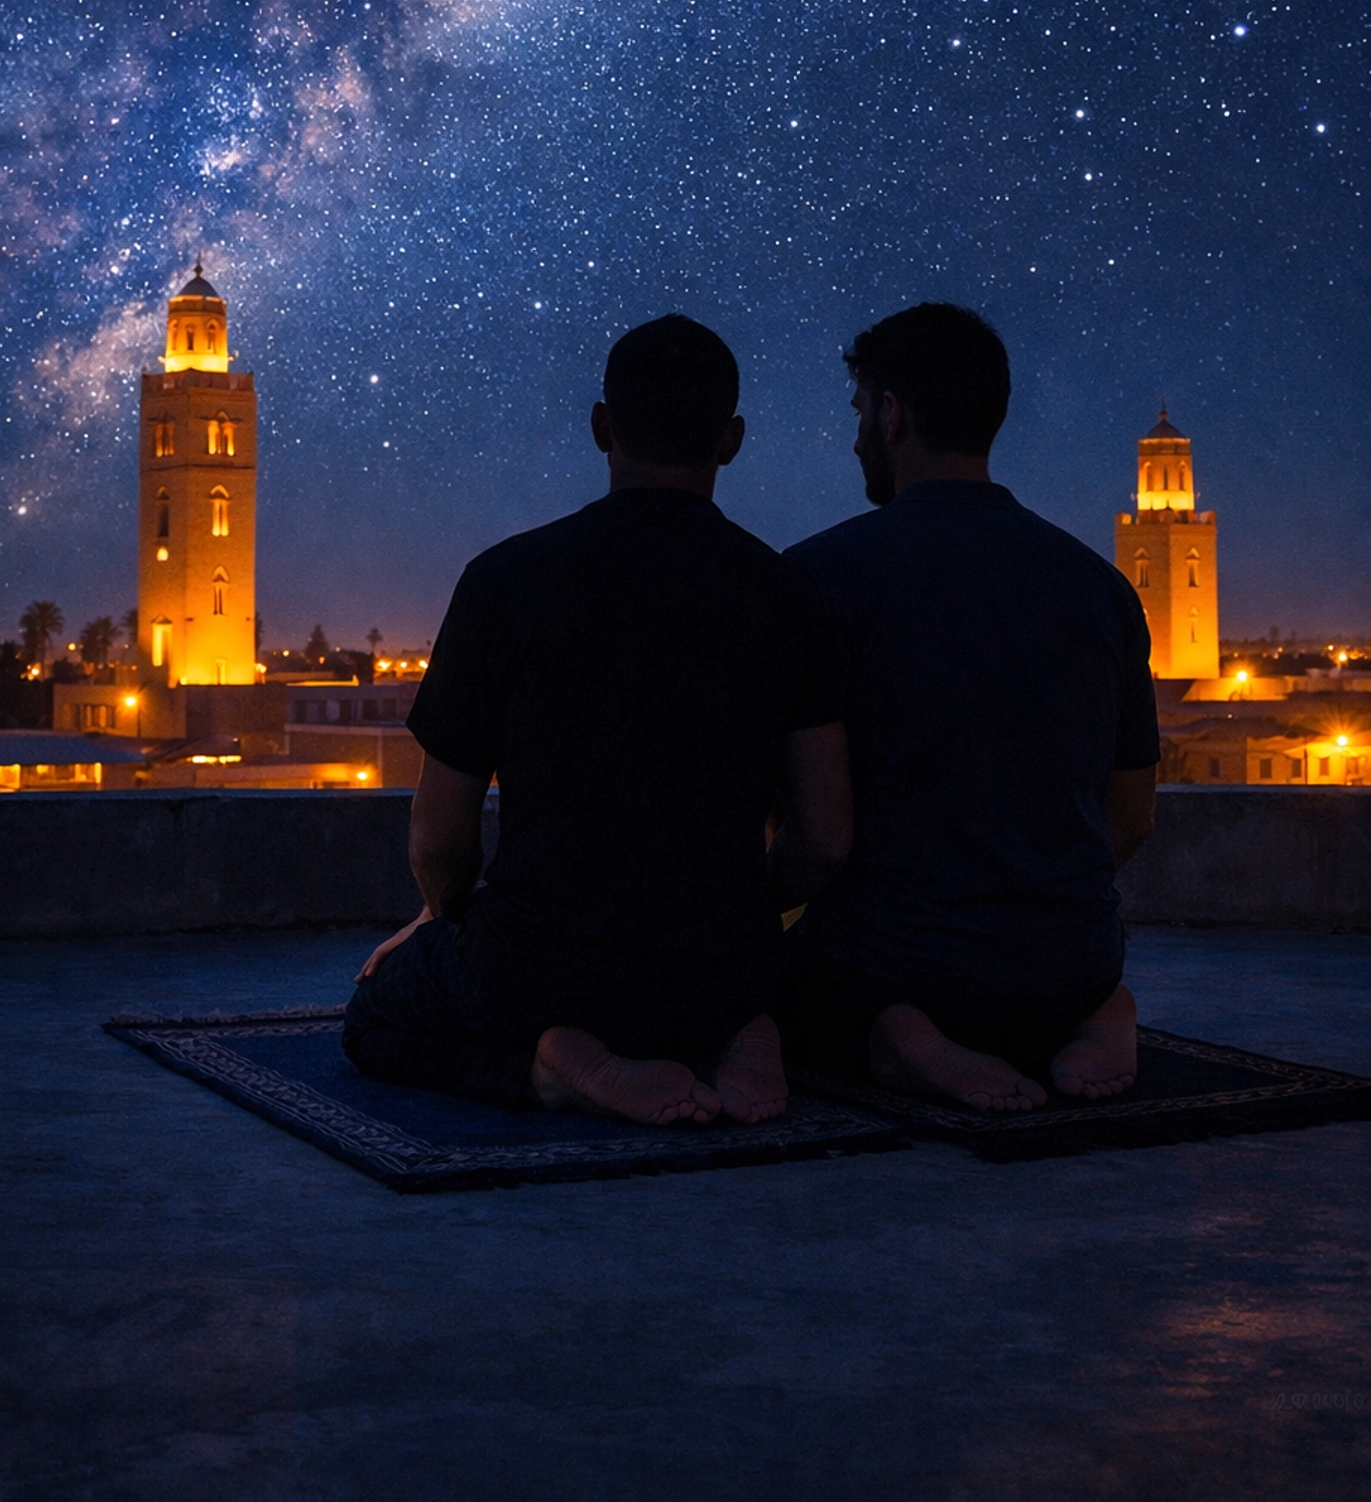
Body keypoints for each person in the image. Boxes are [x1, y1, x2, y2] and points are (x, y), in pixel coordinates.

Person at [342, 315, 851, 1128]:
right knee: (767, 984)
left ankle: (551, 1068)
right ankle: (738, 1030)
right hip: (722, 965)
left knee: (375, 1016)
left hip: (542, 967)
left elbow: (439, 835)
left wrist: (443, 922)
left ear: (602, 427)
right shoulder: (786, 594)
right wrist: (737, 922)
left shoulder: (505, 582)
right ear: (731, 440)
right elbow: (825, 836)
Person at [778, 302, 1159, 1113]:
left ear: (891, 414)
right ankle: (1098, 1012)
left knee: (765, 995)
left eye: (857, 414)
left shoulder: (821, 578)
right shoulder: (1102, 589)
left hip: (897, 960)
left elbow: (820, 836)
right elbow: (1132, 816)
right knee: (1052, 984)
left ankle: (902, 1036)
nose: (853, 440)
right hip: (1070, 960)